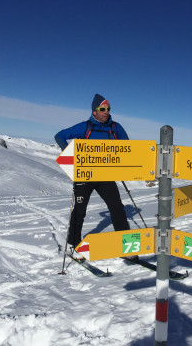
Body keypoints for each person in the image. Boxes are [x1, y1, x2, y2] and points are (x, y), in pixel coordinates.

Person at [54, 94, 130, 259]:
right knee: (80, 211)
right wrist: (71, 155)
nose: (106, 112)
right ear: (94, 111)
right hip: (85, 175)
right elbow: (59, 136)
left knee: (117, 208)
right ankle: (73, 244)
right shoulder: (85, 127)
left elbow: (128, 147)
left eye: (108, 109)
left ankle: (126, 246)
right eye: (102, 109)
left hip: (105, 175)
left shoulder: (116, 128)